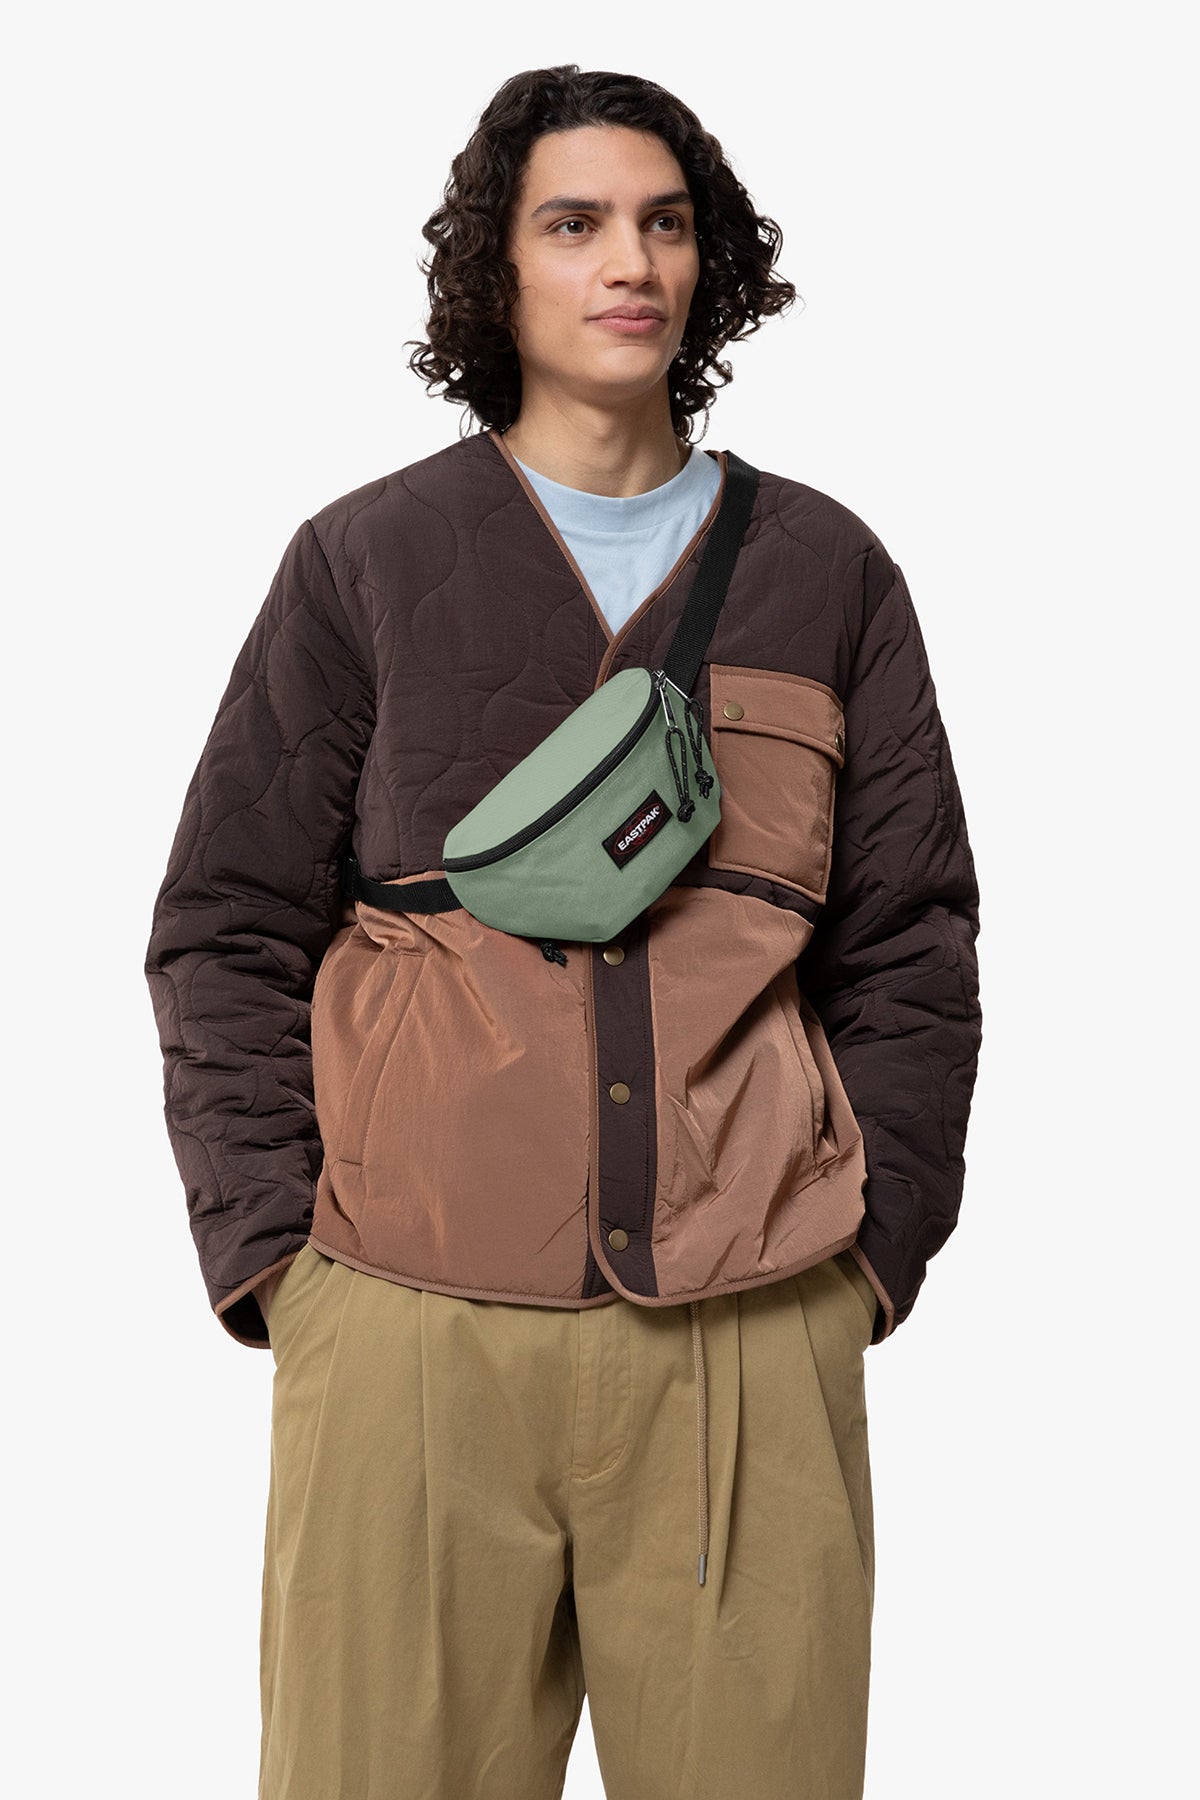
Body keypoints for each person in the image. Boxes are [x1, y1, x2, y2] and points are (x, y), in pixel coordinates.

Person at [144, 63, 983, 1800]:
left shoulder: (827, 573)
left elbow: (911, 943)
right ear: (498, 270)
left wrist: (868, 1259)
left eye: (665, 224)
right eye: (576, 223)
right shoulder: (370, 561)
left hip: (749, 1328)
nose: (630, 263)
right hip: (407, 1327)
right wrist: (282, 1263)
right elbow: (225, 922)